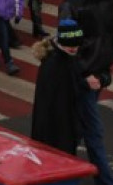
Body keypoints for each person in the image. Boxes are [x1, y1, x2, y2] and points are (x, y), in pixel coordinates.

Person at [59, 0, 113, 185]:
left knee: (79, 128)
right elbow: (67, 44)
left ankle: (59, 172)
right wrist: (83, 73)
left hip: (99, 70)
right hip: (83, 74)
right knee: (94, 131)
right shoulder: (73, 2)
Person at [30, 19, 86, 155]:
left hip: (63, 123)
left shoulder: (63, 58)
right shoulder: (54, 64)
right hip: (58, 128)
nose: (73, 49)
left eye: (76, 45)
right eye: (69, 45)